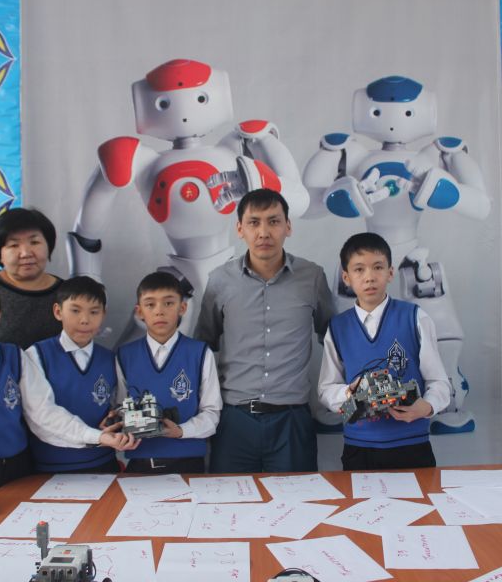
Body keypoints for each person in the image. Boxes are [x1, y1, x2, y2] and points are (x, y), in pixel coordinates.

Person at [0, 277, 137, 521]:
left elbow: (44, 413)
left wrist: (100, 435)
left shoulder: (14, 357)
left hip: (21, 469)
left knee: (32, 534)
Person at [195, 189, 333, 473]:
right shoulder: (220, 280)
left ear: (288, 226)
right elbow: (204, 346)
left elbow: (334, 341)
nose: (263, 232)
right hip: (234, 420)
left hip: (291, 420)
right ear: (240, 229)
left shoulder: (312, 277)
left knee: (298, 498)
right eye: (254, 222)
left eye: (273, 221)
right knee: (230, 496)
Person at [318, 232, 451, 470]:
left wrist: (427, 407)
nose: (369, 277)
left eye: (377, 267)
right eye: (359, 269)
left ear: (390, 273)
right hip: (358, 447)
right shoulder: (338, 328)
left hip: (412, 444)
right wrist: (349, 393)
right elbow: (326, 390)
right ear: (346, 277)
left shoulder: (415, 317)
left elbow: (439, 382)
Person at [116, 271, 222, 474]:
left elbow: (211, 412)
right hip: (140, 464)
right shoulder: (124, 355)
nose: (159, 311)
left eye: (168, 303)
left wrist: (181, 431)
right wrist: (127, 422)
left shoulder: (199, 353)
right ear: (139, 312)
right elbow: (121, 406)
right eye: (150, 304)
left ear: (182, 308)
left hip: (189, 463)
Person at [27, 276, 124, 473]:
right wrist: (96, 437)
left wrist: (118, 419)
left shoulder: (111, 359)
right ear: (58, 311)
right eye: (75, 310)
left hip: (105, 465)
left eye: (94, 312)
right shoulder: (36, 355)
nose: (85, 320)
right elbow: (42, 416)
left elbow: (119, 404)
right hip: (49, 469)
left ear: (103, 314)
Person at [0, 207, 63, 349]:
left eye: (34, 242)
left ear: (48, 246)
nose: (25, 253)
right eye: (14, 245)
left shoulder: (69, 294)